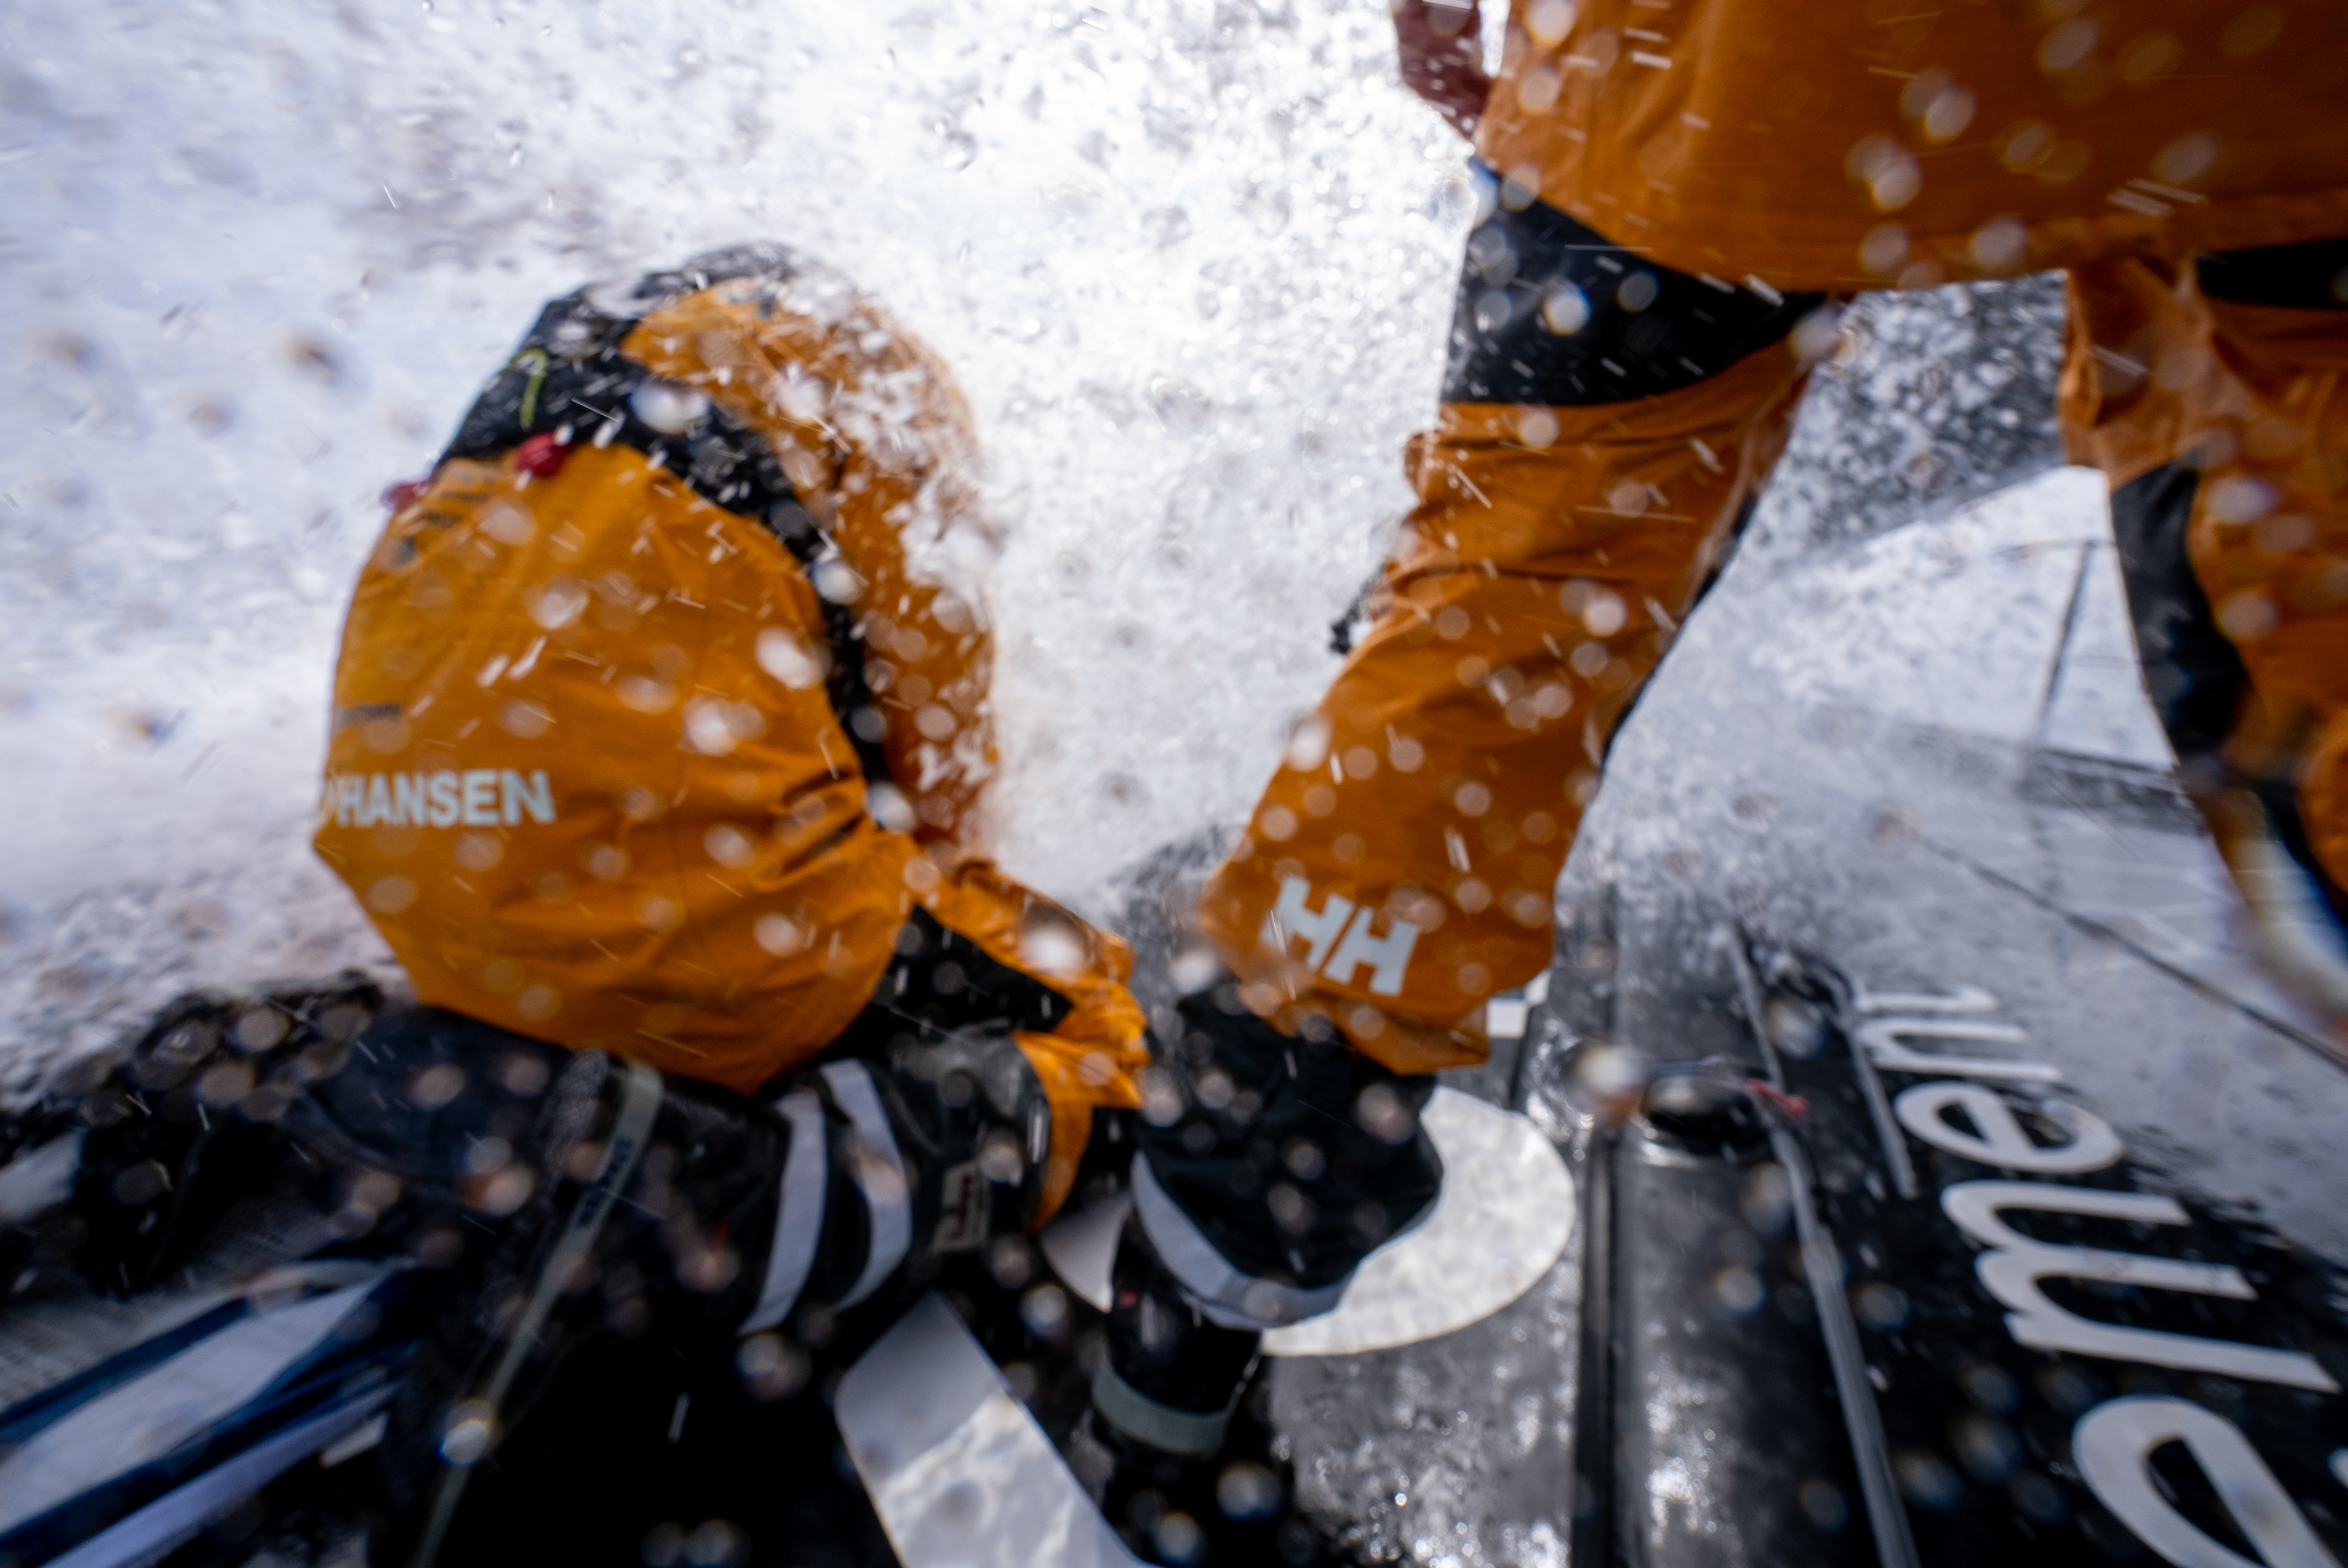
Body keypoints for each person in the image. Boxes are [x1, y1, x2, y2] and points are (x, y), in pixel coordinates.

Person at [3, 244, 1400, 1568]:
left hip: (407, 839)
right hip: (656, 879)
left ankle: (599, 1060)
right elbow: (936, 744)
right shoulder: (871, 392)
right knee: (1102, 1020)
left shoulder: (559, 372)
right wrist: (930, 918)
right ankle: (714, 1202)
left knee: (674, 939)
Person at [1180, 0, 2348, 1112]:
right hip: (2261, 72)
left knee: (1530, 570)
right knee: (2285, 448)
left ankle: (1276, 1118)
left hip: (1733, 70)